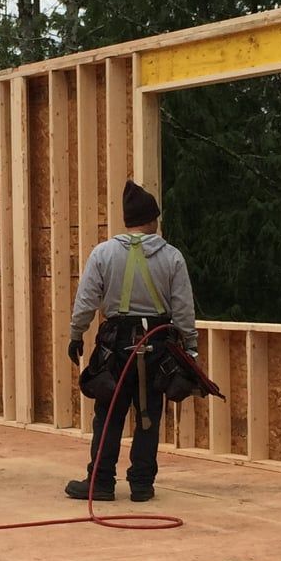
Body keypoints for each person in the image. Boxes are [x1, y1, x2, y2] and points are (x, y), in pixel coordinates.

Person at [66, 179, 199, 502]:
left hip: (115, 345)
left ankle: (100, 482)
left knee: (109, 412)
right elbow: (183, 307)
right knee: (148, 412)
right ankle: (141, 484)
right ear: (152, 219)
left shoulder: (103, 253)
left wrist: (76, 334)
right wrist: (190, 348)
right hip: (157, 343)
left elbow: (86, 301)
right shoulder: (171, 257)